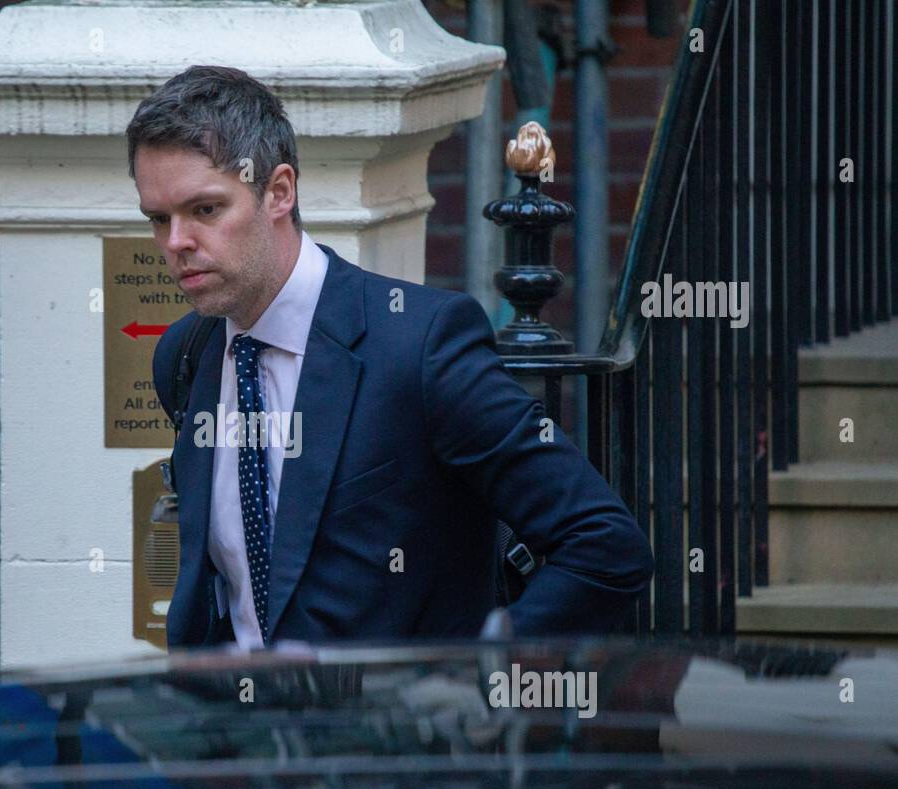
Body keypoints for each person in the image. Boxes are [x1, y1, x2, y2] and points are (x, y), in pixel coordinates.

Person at [128, 65, 653, 649]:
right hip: (244, 732)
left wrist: (481, 671)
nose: (176, 243)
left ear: (278, 192)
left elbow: (605, 544)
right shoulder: (185, 355)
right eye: (159, 219)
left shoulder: (419, 346)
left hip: (400, 733)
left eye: (204, 210)